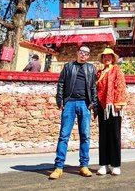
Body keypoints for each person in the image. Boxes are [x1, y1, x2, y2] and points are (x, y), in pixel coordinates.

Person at [49, 46, 98, 180]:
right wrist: (60, 100)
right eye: (81, 52)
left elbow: (94, 87)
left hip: (84, 104)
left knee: (85, 135)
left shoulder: (91, 68)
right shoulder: (68, 66)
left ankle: (84, 166)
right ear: (77, 53)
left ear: (88, 56)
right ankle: (58, 167)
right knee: (64, 135)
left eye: (86, 53)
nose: (83, 55)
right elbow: (61, 84)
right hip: (69, 103)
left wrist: (93, 103)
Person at [95, 47, 128, 176]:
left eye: (109, 56)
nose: (107, 58)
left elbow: (120, 86)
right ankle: (104, 164)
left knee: (114, 135)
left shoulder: (117, 71)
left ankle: (115, 165)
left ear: (113, 58)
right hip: (102, 107)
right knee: (103, 136)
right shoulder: (99, 73)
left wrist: (118, 103)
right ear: (102, 59)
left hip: (114, 107)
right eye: (104, 56)